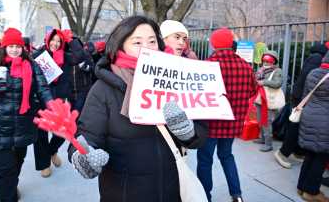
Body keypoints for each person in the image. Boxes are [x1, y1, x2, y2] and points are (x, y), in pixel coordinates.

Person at [69, 16, 208, 202]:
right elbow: (86, 139)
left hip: (171, 191)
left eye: (152, 41)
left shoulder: (176, 82)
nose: (147, 48)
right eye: (137, 42)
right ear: (120, 46)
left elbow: (199, 137)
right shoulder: (103, 90)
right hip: (123, 194)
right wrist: (83, 158)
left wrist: (188, 132)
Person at [0, 28, 53, 202]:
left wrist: (53, 107)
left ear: (23, 48)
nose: (15, 50)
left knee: (16, 166)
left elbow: (43, 89)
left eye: (18, 46)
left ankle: (12, 188)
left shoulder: (32, 65)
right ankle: (8, 196)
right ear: (4, 47)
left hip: (22, 127)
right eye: (11, 46)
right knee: (4, 170)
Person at [197, 27, 257, 202]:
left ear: (214, 44)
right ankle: (236, 195)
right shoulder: (246, 67)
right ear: (231, 44)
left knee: (205, 160)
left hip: (210, 124)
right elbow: (253, 90)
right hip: (232, 123)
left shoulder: (206, 66)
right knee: (227, 156)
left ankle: (205, 197)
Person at [32, 28, 81, 177]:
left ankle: (52, 151)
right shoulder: (38, 55)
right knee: (40, 134)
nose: (55, 43)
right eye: (53, 40)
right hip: (41, 99)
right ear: (48, 40)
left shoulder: (66, 57)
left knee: (63, 130)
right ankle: (44, 164)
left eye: (59, 41)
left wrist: (71, 40)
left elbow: (79, 56)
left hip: (59, 99)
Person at [274, 43, 327, 168]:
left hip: (304, 98)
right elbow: (310, 81)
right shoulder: (317, 59)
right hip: (304, 99)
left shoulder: (315, 57)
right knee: (296, 126)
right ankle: (282, 153)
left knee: (301, 126)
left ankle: (298, 151)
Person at [296, 51, 329, 201]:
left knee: (310, 153)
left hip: (309, 116)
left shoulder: (313, 73)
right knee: (321, 156)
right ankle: (312, 191)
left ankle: (301, 187)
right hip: (325, 120)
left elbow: (305, 96)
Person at [253, 50, 283, 152]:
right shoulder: (261, 69)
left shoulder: (277, 71)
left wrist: (264, 82)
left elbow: (277, 84)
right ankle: (262, 138)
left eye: (269, 61)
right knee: (260, 119)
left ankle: (268, 144)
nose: (266, 63)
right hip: (260, 99)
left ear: (274, 61)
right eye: (264, 60)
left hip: (269, 100)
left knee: (266, 122)